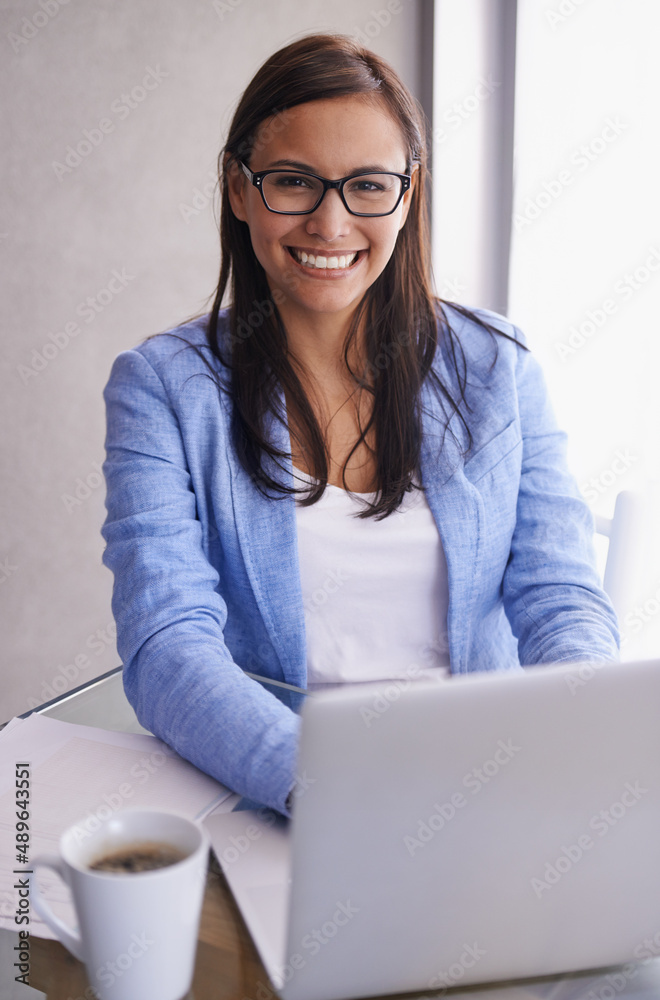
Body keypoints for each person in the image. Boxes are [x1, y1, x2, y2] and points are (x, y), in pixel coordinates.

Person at [101, 33, 619, 817]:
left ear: (408, 196)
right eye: (293, 182)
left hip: (486, 789)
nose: (330, 222)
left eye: (368, 185)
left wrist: (569, 740)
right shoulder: (162, 389)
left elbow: (560, 598)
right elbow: (167, 646)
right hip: (283, 793)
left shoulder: (499, 368)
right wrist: (330, 793)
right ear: (239, 190)